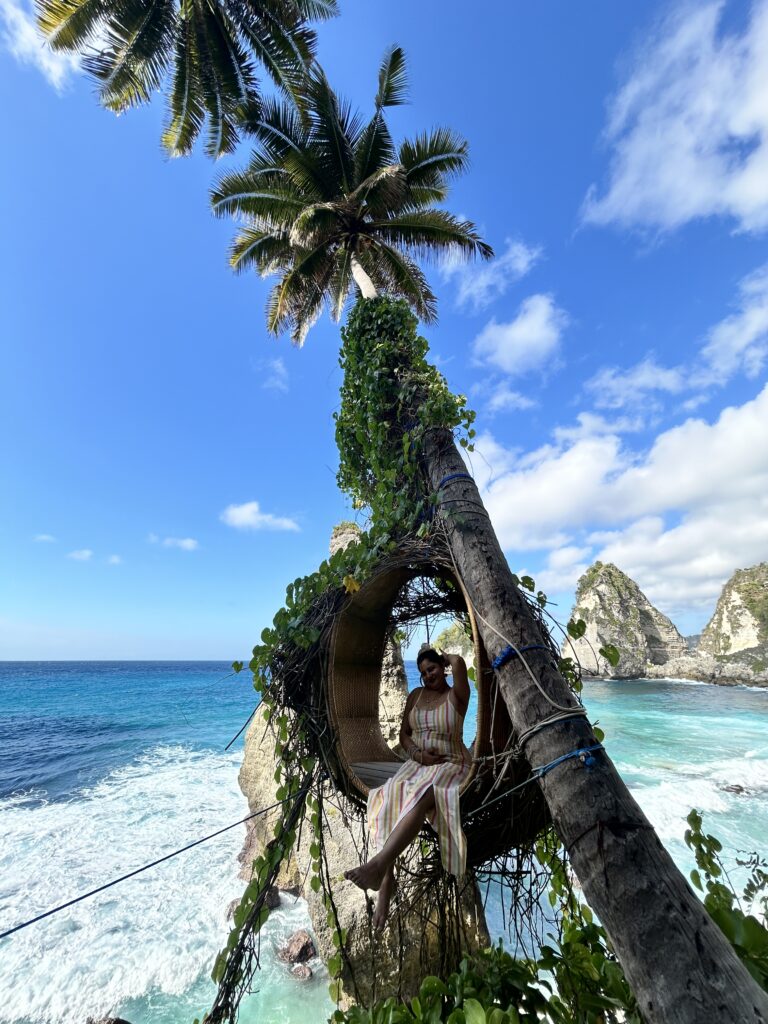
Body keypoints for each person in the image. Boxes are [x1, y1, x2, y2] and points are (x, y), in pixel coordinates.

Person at [345, 645, 471, 929]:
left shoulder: (457, 696)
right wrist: (417, 754)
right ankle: (387, 881)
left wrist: (447, 657)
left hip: (452, 764)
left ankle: (379, 866)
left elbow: (460, 662)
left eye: (433, 669)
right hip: (418, 764)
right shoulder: (415, 696)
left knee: (427, 794)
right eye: (423, 673)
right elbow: (404, 735)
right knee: (388, 795)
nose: (428, 676)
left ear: (443, 667)